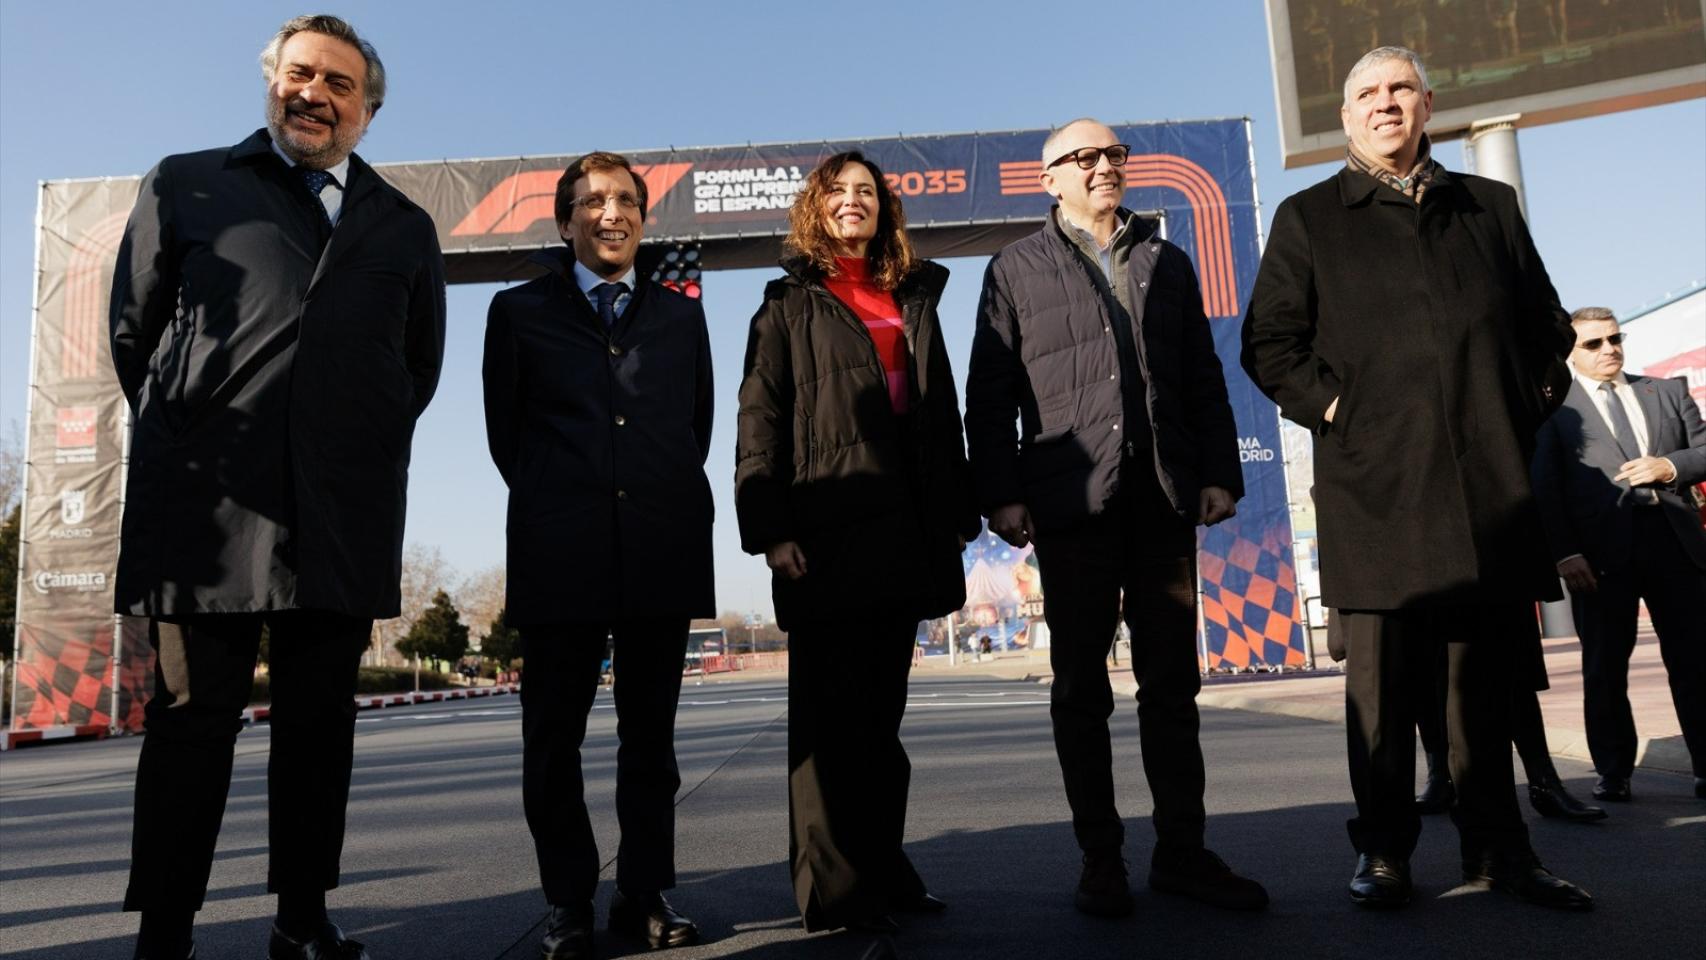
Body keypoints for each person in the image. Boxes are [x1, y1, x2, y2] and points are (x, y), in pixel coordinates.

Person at [108, 15, 445, 960]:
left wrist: (350, 437)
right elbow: (133, 333)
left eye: (340, 85)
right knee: (188, 727)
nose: (316, 95)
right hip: (206, 515)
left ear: (367, 114)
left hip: (341, 512)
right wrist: (196, 435)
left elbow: (416, 370)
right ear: (271, 82)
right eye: (301, 74)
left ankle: (302, 921)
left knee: (317, 732)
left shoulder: (405, 226)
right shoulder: (187, 182)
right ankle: (163, 936)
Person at [1242, 45, 1591, 911]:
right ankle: (1386, 853)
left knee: (1488, 692)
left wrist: (1514, 411)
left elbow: (1547, 330)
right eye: (1368, 94)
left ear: (1429, 104)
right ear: (1347, 116)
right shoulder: (1309, 217)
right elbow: (1270, 344)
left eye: (1402, 89)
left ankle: (1500, 852)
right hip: (1378, 493)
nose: (1386, 104)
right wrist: (1340, 415)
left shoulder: (1491, 207)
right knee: (1384, 699)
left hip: (1487, 495)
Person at [964, 118, 1267, 919]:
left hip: (1162, 499)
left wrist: (1218, 474)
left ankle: (1183, 854)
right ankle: (1101, 860)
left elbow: (1203, 377)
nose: (1104, 166)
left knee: (1173, 687)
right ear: (1050, 179)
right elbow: (989, 397)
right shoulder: (1014, 268)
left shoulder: (1167, 261)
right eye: (1084, 157)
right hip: (1072, 506)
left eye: (1114, 154)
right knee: (1080, 690)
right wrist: (1002, 493)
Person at [734, 150, 980, 933]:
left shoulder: (913, 296)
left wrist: (957, 508)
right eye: (837, 191)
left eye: (866, 192)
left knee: (881, 726)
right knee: (826, 727)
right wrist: (771, 532)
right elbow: (758, 424)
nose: (853, 202)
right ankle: (834, 893)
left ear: (884, 209)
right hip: (825, 537)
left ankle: (886, 867)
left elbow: (941, 414)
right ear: (816, 207)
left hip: (905, 533)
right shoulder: (784, 305)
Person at [483, 151, 714, 959]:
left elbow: (697, 430)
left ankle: (644, 894)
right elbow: (506, 440)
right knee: (554, 742)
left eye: (624, 201)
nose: (609, 213)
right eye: (591, 202)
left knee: (652, 743)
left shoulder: (682, 316)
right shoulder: (517, 312)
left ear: (643, 220)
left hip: (661, 547)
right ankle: (568, 903)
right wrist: (569, 500)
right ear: (564, 220)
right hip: (560, 553)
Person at [1530, 307, 1706, 802]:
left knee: (1695, 662)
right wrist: (1565, 554)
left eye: (1614, 338)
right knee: (1605, 667)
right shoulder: (1555, 412)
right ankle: (1614, 771)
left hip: (1675, 546)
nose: (1609, 349)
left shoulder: (1665, 392)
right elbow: (1546, 489)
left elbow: (1705, 449)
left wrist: (1669, 465)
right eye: (1594, 343)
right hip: (1600, 557)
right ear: (1570, 351)